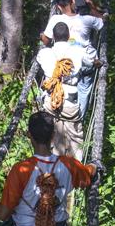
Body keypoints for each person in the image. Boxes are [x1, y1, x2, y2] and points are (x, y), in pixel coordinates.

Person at [40, 0, 107, 118]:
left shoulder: (56, 19)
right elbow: (102, 22)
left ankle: (58, 111)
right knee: (84, 88)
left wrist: (42, 36)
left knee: (58, 78)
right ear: (73, 2)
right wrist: (96, 10)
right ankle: (78, 117)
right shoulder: (87, 20)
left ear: (59, 7)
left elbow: (46, 40)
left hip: (64, 63)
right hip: (86, 60)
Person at [36, 22, 91, 159]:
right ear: (68, 37)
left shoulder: (44, 53)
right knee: (75, 139)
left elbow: (39, 60)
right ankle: (76, 173)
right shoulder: (78, 51)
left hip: (51, 102)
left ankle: (54, 173)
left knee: (53, 138)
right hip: (70, 104)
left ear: (53, 36)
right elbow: (90, 61)